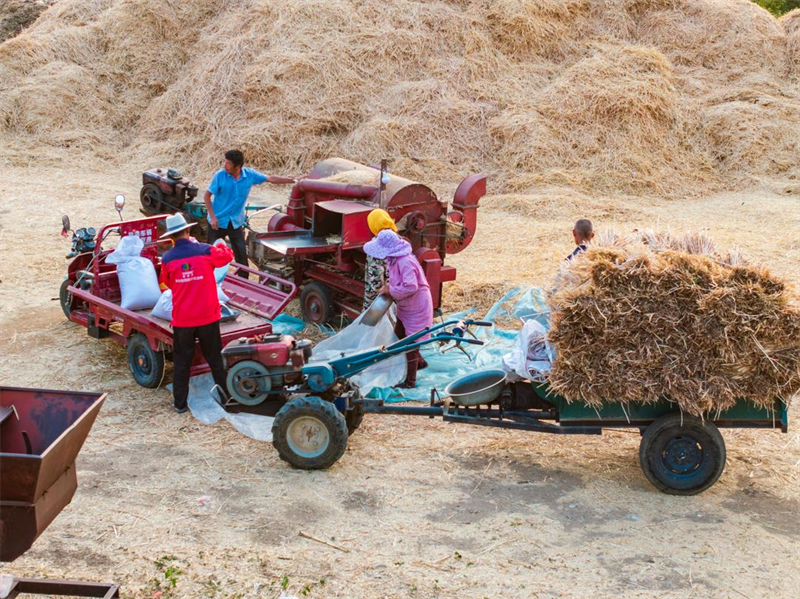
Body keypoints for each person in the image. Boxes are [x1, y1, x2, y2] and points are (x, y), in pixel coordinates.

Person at [159, 213, 234, 413]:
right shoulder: (205, 250)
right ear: (188, 230)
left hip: (183, 320)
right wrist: (221, 244)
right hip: (208, 316)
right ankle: (228, 400)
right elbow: (227, 256)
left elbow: (167, 283)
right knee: (215, 360)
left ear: (171, 237)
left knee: (182, 363)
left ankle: (180, 404)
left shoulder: (167, 259)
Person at [204, 149, 293, 276]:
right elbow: (207, 196)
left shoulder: (249, 175)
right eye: (225, 162)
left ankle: (244, 281)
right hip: (217, 222)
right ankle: (209, 280)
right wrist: (212, 217)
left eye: (228, 163)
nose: (225, 165)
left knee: (242, 257)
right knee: (212, 255)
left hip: (235, 223)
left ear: (238, 167)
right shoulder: (220, 176)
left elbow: (271, 178)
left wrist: (294, 180)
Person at [364, 229, 433, 388]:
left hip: (417, 306)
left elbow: (411, 286)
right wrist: (390, 287)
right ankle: (420, 363)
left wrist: (390, 290)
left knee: (411, 344)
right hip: (406, 305)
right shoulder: (393, 259)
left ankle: (410, 382)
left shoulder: (404, 261)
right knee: (399, 336)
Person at [363, 209, 397, 311]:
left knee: (372, 321)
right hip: (397, 291)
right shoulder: (399, 239)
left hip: (380, 298)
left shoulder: (375, 244)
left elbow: (375, 276)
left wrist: (377, 294)